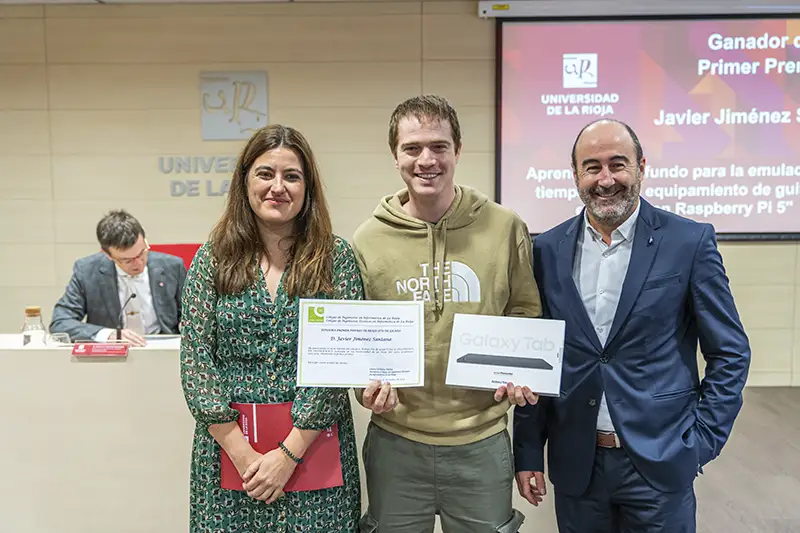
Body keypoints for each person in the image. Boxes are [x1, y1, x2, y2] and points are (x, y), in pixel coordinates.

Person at [513, 118, 751, 532]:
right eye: (592, 167)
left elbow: (730, 352)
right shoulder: (547, 250)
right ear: (575, 175)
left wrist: (701, 442)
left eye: (618, 164)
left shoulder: (688, 242)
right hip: (577, 466)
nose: (606, 179)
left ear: (641, 166)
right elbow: (541, 357)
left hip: (660, 462)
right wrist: (530, 452)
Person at [352, 94, 542, 533]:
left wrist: (519, 368)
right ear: (395, 156)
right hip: (396, 441)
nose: (426, 160)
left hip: (481, 440)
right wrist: (364, 385)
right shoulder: (367, 238)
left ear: (458, 150)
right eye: (413, 148)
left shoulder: (503, 226)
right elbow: (356, 336)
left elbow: (525, 311)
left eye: (439, 146)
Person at [179, 124, 363, 533]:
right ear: (244, 181)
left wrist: (288, 456)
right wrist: (246, 458)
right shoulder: (212, 258)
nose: (277, 186)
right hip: (229, 459)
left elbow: (340, 366)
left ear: (308, 187)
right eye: (265, 173)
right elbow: (196, 362)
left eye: (291, 176)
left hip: (316, 454)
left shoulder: (338, 259)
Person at [49, 209, 186, 345]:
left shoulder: (173, 267)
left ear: (145, 241)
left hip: (163, 350)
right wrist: (108, 335)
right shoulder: (87, 271)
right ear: (108, 255)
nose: (138, 263)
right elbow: (61, 322)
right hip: (112, 355)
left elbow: (189, 316)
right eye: (127, 260)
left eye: (141, 253)